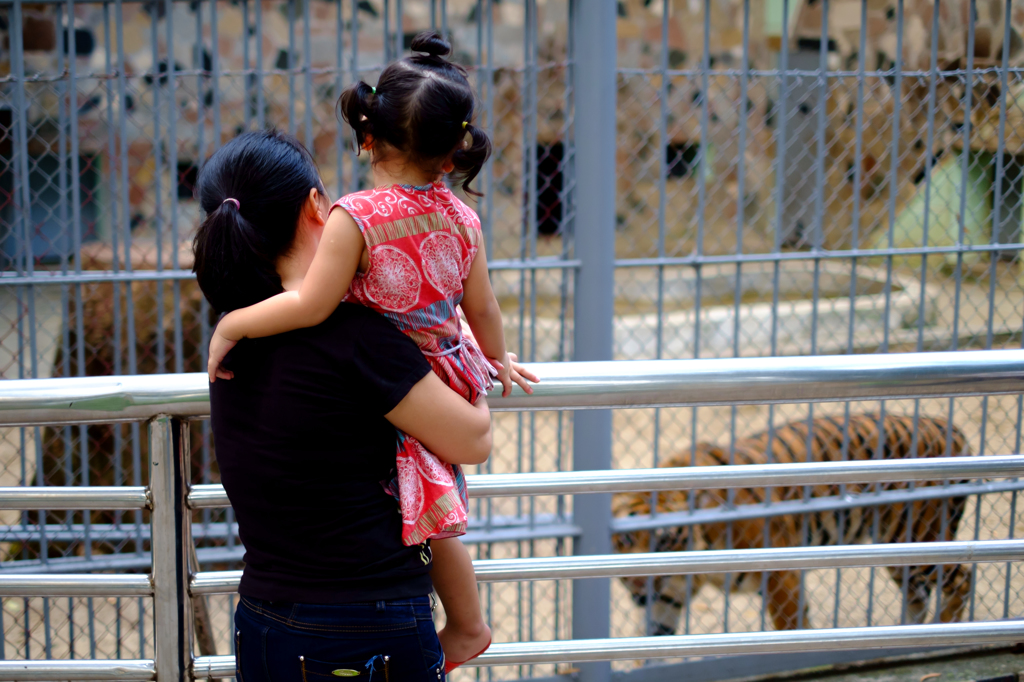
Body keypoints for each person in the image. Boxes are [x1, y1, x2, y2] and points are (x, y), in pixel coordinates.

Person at [204, 31, 537, 672]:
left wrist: (230, 325)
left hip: (264, 617)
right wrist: (494, 359)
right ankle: (467, 624)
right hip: (368, 621)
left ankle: (468, 624)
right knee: (432, 504)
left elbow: (309, 304)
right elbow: (474, 420)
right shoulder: (370, 326)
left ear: (368, 137)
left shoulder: (241, 342)